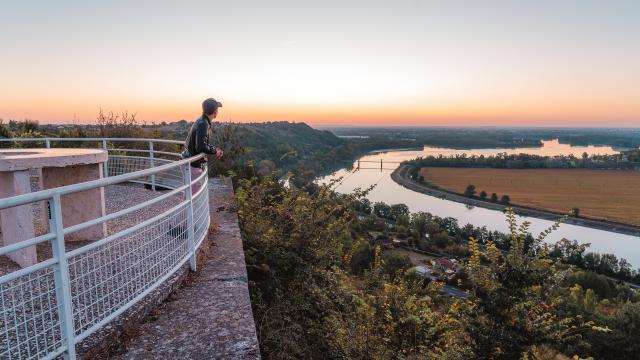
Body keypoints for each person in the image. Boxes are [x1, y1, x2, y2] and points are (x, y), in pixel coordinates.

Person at [182, 98, 224, 194]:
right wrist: (215, 151)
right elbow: (200, 146)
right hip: (192, 165)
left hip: (189, 162)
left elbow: (202, 143)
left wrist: (214, 150)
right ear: (215, 111)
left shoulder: (202, 121)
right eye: (217, 109)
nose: (217, 111)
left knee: (191, 195)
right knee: (195, 197)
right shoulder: (203, 124)